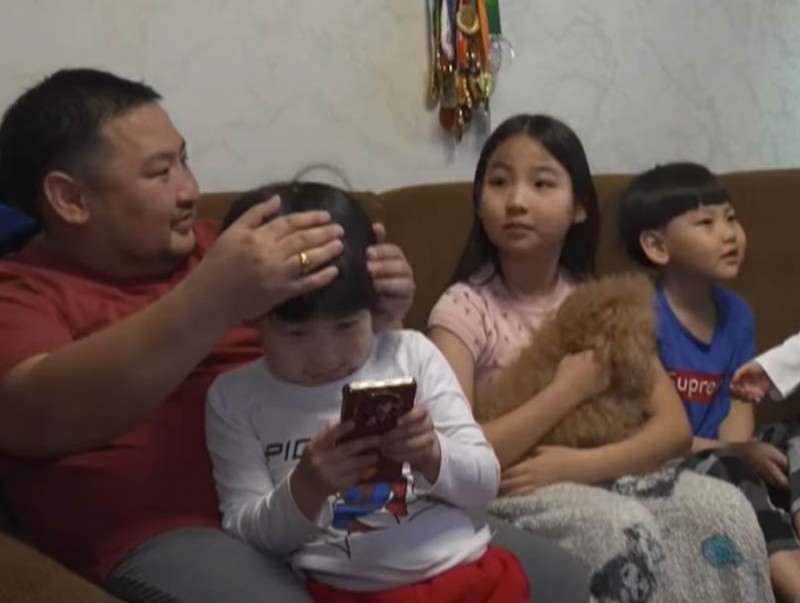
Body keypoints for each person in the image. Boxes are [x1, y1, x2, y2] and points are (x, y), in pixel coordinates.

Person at [0, 69, 590, 602]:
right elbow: (29, 413)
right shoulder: (22, 290)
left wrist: (382, 307)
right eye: (160, 172)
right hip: (174, 526)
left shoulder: (228, 240)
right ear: (70, 199)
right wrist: (211, 297)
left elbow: (356, 349)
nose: (189, 189)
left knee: (559, 579)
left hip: (359, 500)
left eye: (184, 161)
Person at [428, 114, 774, 602]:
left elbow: (672, 428)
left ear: (579, 208)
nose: (517, 201)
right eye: (499, 182)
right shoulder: (463, 310)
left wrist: (582, 466)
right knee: (620, 530)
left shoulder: (598, 302)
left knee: (723, 508)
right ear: (479, 201)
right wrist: (566, 391)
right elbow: (452, 457)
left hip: (598, 472)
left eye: (542, 183)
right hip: (513, 491)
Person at [206, 181, 529, 603]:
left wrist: (432, 454)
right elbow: (246, 532)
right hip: (347, 590)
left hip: (468, 571)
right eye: (295, 334)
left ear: (374, 305)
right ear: (251, 317)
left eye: (346, 326)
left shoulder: (410, 353)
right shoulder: (235, 398)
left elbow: (484, 482)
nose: (326, 357)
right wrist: (307, 487)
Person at [618, 161, 800, 602]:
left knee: (794, 436)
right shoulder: (639, 317)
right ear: (657, 246)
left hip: (725, 447)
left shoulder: (737, 314)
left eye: (731, 218)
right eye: (706, 223)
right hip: (662, 458)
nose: (729, 234)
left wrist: (744, 449)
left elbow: (739, 411)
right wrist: (737, 453)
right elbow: (642, 434)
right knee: (732, 468)